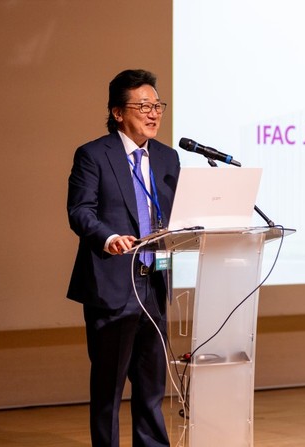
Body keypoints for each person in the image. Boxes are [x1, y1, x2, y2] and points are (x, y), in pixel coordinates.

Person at [67, 69, 180, 447]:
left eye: (157, 106)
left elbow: (175, 214)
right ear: (117, 112)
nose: (153, 114)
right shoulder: (93, 155)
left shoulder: (167, 158)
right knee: (108, 389)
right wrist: (110, 237)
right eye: (143, 106)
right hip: (113, 285)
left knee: (151, 387)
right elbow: (80, 211)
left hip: (155, 281)